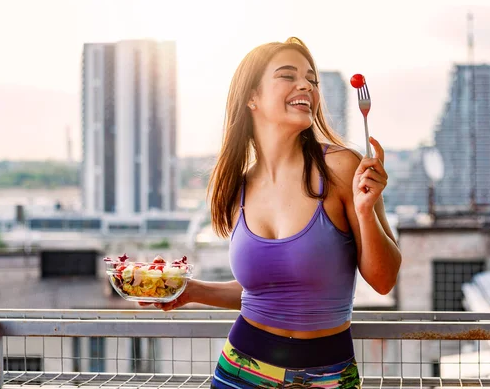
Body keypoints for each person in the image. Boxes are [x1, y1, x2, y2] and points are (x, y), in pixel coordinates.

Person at [141, 37, 401, 388]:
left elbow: (383, 282)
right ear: (252, 97)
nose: (305, 85)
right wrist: (191, 291)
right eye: (288, 75)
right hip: (240, 371)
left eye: (312, 79)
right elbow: (263, 293)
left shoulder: (342, 168)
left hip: (328, 375)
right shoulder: (238, 188)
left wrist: (366, 211)